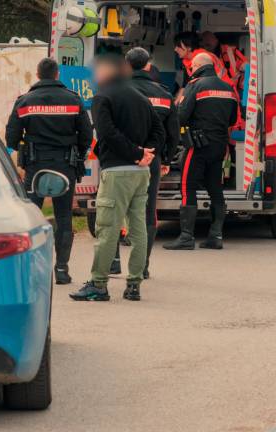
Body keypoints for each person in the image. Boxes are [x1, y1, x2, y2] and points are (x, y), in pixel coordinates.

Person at [69, 55, 164, 302]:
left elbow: (107, 134)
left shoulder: (103, 98)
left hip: (117, 172)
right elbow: (159, 131)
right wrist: (147, 154)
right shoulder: (141, 98)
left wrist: (135, 154)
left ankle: (99, 284)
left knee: (108, 229)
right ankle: (134, 285)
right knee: (138, 228)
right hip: (141, 174)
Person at [6, 58, 93, 285]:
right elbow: (86, 136)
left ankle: (31, 270)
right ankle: (62, 270)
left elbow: (12, 138)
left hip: (35, 168)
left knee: (31, 218)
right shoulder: (73, 100)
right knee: (64, 218)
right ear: (57, 75)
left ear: (37, 74)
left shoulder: (25, 101)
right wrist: (77, 153)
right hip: (66, 166)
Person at [163, 53, 238, 251]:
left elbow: (182, 116)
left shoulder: (194, 85)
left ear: (196, 66)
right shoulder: (228, 88)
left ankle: (186, 236)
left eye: (191, 66)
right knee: (215, 189)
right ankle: (216, 236)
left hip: (197, 145)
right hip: (219, 146)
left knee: (188, 187)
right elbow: (232, 119)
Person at [123, 47, 180, 279]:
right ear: (148, 66)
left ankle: (114, 263)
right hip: (151, 160)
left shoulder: (117, 92)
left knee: (116, 210)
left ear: (127, 66)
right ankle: (142, 265)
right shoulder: (164, 95)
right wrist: (166, 158)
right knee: (147, 213)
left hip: (120, 158)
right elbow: (173, 133)